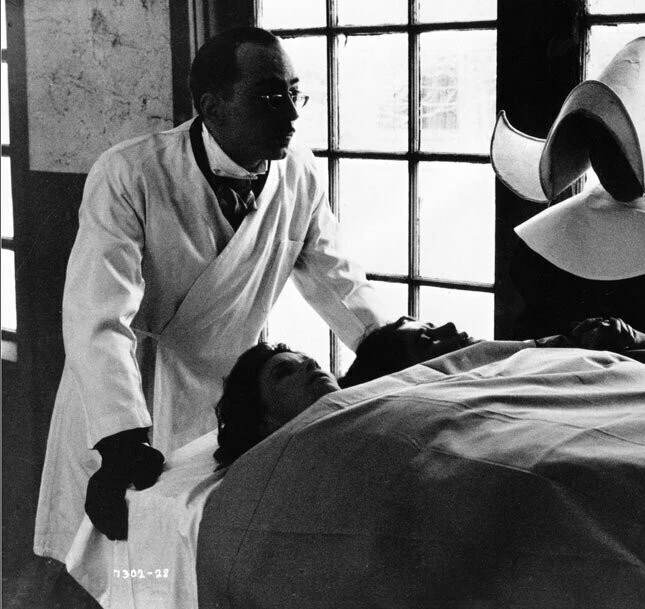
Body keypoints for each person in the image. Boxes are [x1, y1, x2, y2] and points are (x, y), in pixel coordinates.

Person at [34, 26, 388, 561]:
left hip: (226, 399)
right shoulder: (130, 172)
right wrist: (120, 438)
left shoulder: (301, 171)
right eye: (269, 97)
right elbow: (97, 316)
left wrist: (388, 345)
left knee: (198, 554)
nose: (291, 115)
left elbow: (337, 279)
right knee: (114, 564)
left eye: (294, 94)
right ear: (211, 106)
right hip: (127, 395)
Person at [490, 37, 645, 344]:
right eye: (598, 139)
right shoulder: (537, 250)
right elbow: (527, 342)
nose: (608, 156)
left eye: (618, 139)